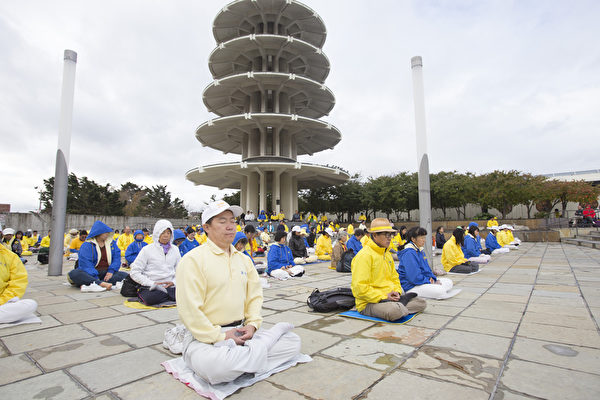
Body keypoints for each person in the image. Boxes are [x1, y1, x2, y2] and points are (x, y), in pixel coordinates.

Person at [175, 200, 301, 385]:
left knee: (293, 343)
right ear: (206, 227)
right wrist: (220, 336)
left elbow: (254, 297)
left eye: (233, 221)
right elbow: (189, 310)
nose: (230, 226)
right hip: (207, 338)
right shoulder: (193, 260)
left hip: (242, 332)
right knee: (216, 368)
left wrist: (252, 325)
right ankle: (256, 355)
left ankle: (245, 358)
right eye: (222, 221)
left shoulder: (243, 260)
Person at [351, 218, 426, 321]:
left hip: (390, 299)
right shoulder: (364, 256)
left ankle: (399, 306)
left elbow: (395, 278)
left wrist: (397, 292)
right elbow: (359, 289)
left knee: (421, 303)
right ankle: (399, 307)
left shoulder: (387, 254)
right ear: (374, 235)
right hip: (370, 302)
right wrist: (383, 296)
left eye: (390, 234)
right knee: (395, 310)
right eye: (386, 235)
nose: (389, 238)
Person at [67, 221, 128, 292]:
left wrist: (111, 271)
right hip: (90, 273)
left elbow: (116, 258)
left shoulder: (112, 244)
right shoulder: (87, 245)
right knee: (74, 274)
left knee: (125, 275)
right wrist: (95, 276)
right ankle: (100, 283)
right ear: (98, 233)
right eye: (105, 232)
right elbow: (86, 263)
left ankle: (92, 283)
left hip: (106, 273)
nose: (107, 234)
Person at [130, 220, 180, 306]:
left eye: (168, 233)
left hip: (170, 285)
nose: (166, 235)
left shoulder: (175, 249)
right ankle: (169, 296)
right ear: (157, 233)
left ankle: (168, 294)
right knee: (151, 298)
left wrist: (174, 282)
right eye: (163, 232)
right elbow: (134, 272)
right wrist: (151, 283)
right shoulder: (147, 249)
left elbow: (180, 270)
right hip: (151, 286)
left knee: (190, 293)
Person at [397, 227, 454, 299]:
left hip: (422, 281)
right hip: (411, 285)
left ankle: (432, 288)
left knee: (449, 282)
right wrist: (429, 281)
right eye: (421, 238)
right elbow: (414, 277)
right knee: (441, 291)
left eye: (424, 237)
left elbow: (427, 269)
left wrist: (433, 279)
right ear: (413, 239)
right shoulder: (409, 253)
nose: (424, 240)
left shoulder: (420, 250)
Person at [0, 242, 38, 323]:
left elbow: (17, 283)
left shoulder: (10, 256)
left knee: (30, 304)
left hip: (2, 301)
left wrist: (2, 300)